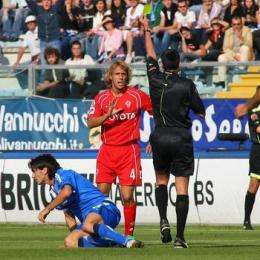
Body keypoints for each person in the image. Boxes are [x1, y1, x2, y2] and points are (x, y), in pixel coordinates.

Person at [143, 17, 205, 248]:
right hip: (180, 137)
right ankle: (180, 237)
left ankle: (162, 219)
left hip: (159, 136)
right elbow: (201, 113)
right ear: (179, 64)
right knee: (182, 187)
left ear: (161, 63)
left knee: (161, 181)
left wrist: (147, 32)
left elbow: (149, 54)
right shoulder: (187, 84)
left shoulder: (154, 78)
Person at [87, 60, 153, 236]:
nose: (121, 77)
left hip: (129, 151)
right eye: (117, 74)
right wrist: (107, 115)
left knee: (127, 196)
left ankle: (129, 235)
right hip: (107, 150)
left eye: (124, 74)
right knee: (101, 197)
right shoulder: (101, 98)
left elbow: (157, 114)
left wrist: (154, 137)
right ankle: (101, 232)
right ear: (110, 76)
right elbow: (90, 122)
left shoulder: (137, 95)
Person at [28, 154, 144, 248]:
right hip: (92, 223)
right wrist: (75, 234)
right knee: (70, 241)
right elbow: (68, 215)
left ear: (44, 170)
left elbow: (67, 192)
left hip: (106, 208)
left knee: (88, 224)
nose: (33, 176)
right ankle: (114, 243)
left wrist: (47, 209)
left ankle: (125, 240)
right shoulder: (53, 192)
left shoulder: (63, 174)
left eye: (34, 171)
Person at [235, 87, 260, 230]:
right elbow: (258, 129)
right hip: (258, 150)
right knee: (254, 185)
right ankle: (246, 220)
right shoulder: (254, 109)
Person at [216, 15, 253, 88]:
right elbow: (225, 48)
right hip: (233, 55)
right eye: (234, 24)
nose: (236, 26)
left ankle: (240, 71)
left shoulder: (247, 30)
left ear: (242, 24)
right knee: (221, 57)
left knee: (244, 48)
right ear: (231, 24)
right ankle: (222, 81)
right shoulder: (228, 32)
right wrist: (234, 55)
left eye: (238, 24)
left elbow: (250, 45)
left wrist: (241, 38)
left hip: (245, 56)